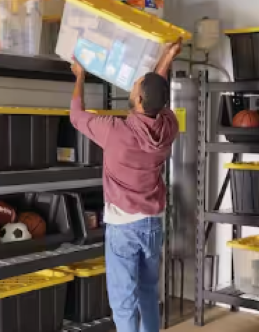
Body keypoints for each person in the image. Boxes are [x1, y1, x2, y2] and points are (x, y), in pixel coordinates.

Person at [69, 38, 182, 332]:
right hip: (153, 223)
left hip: (123, 228)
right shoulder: (169, 126)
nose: (132, 87)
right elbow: (157, 92)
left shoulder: (116, 132)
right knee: (147, 293)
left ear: (140, 100)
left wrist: (80, 76)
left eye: (135, 87)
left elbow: (77, 116)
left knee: (123, 300)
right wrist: (167, 57)